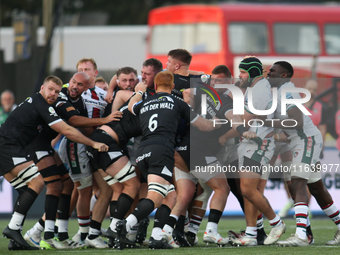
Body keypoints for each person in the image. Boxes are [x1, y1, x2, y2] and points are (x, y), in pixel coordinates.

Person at [0, 75, 108, 250]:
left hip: (17, 146)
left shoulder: (58, 101)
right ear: (42, 88)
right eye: (50, 89)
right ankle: (25, 231)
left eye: (56, 91)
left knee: (47, 186)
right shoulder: (41, 103)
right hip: (9, 145)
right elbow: (67, 128)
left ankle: (36, 235)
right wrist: (94, 142)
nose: (53, 94)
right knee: (38, 183)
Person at [114, 71, 219, 250]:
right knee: (155, 196)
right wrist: (217, 121)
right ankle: (126, 223)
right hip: (161, 151)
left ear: (155, 86)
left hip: (143, 152)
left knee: (170, 196)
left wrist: (139, 92)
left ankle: (156, 237)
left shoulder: (145, 102)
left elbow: (131, 107)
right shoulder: (177, 102)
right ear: (172, 87)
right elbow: (204, 126)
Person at [24, 72, 121, 250]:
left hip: (80, 145)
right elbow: (73, 122)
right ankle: (52, 233)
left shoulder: (89, 97)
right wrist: (104, 122)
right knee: (74, 189)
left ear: (89, 83)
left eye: (81, 83)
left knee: (75, 187)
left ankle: (64, 234)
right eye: (73, 82)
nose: (75, 86)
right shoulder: (61, 94)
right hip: (67, 146)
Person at [263, 61, 340, 246]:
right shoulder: (281, 92)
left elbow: (296, 122)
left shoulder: (287, 91)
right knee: (317, 189)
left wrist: (266, 124)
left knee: (297, 182)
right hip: (302, 140)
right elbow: (289, 130)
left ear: (284, 75)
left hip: (306, 140)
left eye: (273, 71)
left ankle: (301, 235)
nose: (268, 73)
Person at [230, 57, 286, 246]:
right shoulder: (257, 88)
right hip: (251, 142)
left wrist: (229, 110)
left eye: (243, 72)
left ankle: (277, 223)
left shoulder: (260, 89)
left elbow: (245, 120)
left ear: (253, 72)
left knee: (247, 188)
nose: (240, 75)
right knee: (247, 190)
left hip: (258, 143)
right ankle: (252, 233)